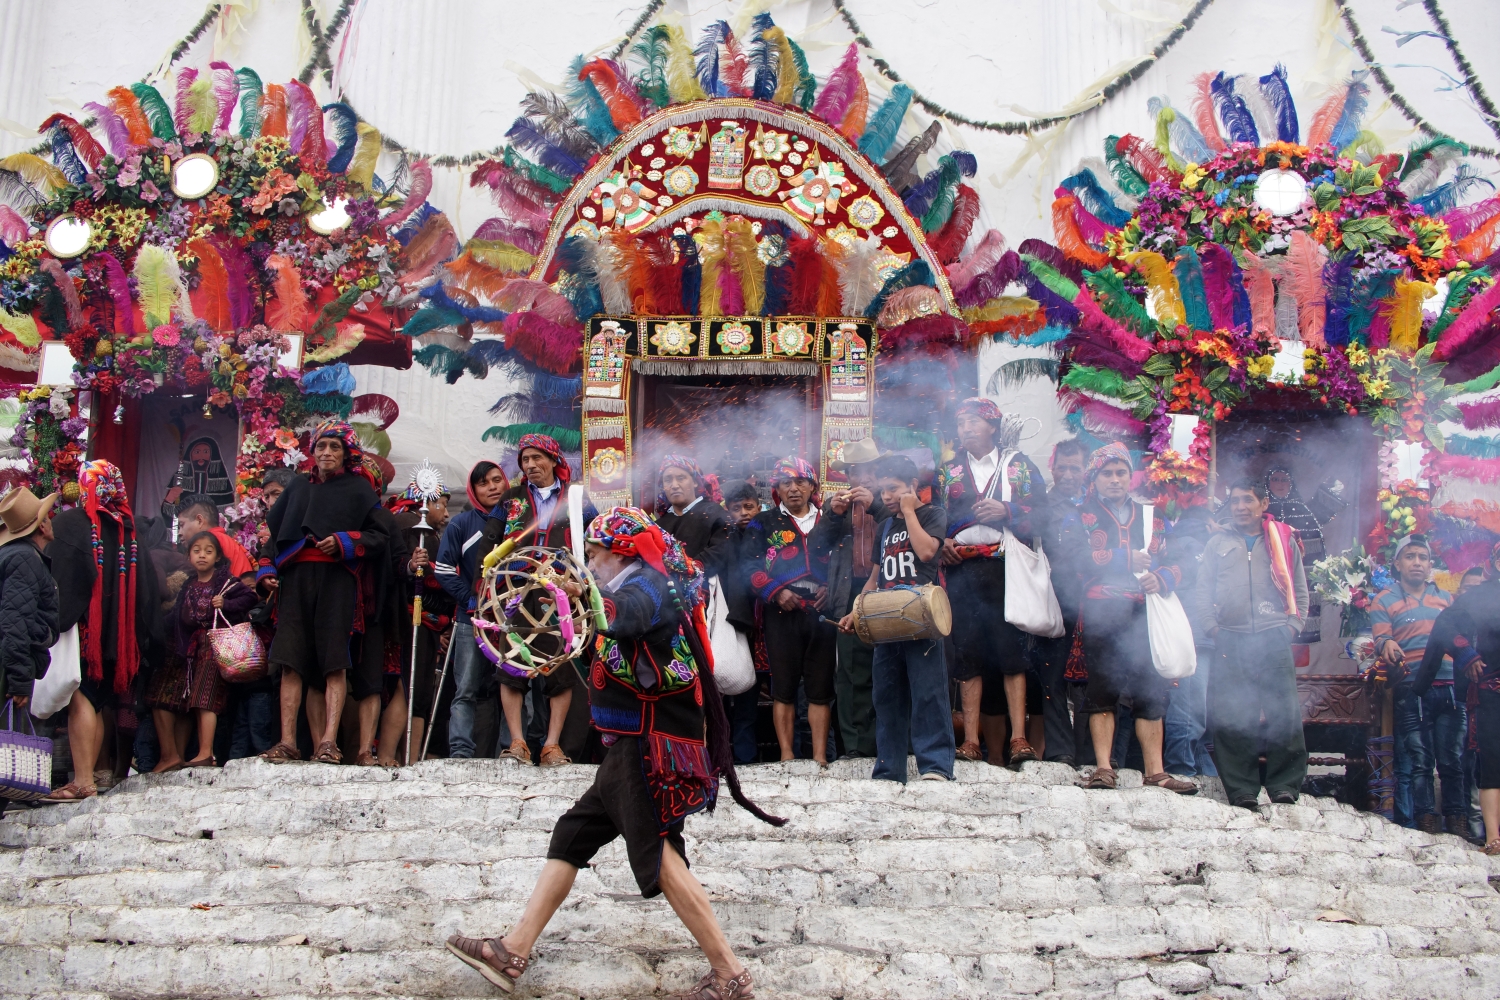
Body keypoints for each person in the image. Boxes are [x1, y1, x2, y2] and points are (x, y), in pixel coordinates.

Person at [445, 507, 780, 1000]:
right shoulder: (640, 581)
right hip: (633, 745)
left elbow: (624, 614)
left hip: (647, 746)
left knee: (659, 855)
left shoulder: (647, 586)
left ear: (622, 552)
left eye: (596, 553)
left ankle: (730, 974)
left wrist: (588, 593)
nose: (591, 561)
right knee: (573, 836)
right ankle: (512, 949)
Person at [1057, 443, 1197, 794]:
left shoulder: (1152, 516)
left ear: (1130, 476)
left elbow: (1186, 561)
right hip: (1101, 611)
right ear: (1094, 478)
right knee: (1102, 689)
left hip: (1144, 614)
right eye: (1107, 473)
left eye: (1121, 472)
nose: (1115, 479)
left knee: (1151, 690)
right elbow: (1071, 559)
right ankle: (1103, 768)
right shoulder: (1079, 515)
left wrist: (1163, 577)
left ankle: (1156, 771)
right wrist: (1122, 559)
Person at [258, 420, 387, 765]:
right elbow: (275, 537)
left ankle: (329, 742)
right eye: (321, 446)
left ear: (346, 454)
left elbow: (380, 536)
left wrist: (346, 541)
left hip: (337, 581)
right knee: (290, 660)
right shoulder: (298, 487)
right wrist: (267, 569)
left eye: (334, 447)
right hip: (297, 579)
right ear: (312, 452)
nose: (327, 453)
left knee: (334, 662)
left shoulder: (359, 490)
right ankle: (287, 741)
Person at [937, 397, 1045, 765]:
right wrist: (942, 542)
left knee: (1012, 651)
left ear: (993, 427)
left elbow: (1046, 514)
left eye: (974, 422)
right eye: (961, 422)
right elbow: (932, 516)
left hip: (1006, 568)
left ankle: (1018, 738)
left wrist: (1009, 511)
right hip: (962, 570)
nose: (966, 428)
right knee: (967, 652)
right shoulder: (946, 472)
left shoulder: (1020, 467)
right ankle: (969, 740)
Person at [46, 461, 159, 800]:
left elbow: (62, 580)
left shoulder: (69, 524)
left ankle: (83, 781)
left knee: (81, 698)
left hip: (85, 635)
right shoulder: (129, 531)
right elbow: (148, 589)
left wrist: (53, 626)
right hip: (120, 640)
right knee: (95, 703)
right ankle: (91, 776)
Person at [1195, 479, 1310, 809]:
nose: (1240, 507)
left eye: (1248, 500)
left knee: (1283, 713)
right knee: (1233, 715)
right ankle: (1241, 789)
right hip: (1230, 636)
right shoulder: (1217, 542)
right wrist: (1212, 628)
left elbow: (1300, 590)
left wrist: (1291, 627)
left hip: (1273, 634)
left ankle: (1284, 785)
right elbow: (1203, 591)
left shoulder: (1283, 540)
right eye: (1235, 501)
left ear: (1263, 504)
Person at [839, 455, 953, 783]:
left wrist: (908, 511)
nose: (886, 496)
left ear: (913, 487)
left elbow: (928, 552)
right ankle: (889, 768)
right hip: (886, 620)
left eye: (894, 489)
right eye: (884, 490)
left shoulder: (932, 514)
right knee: (886, 696)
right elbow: (874, 578)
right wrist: (856, 612)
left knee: (927, 692)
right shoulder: (885, 525)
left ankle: (935, 766)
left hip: (921, 618)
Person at [490, 434, 596, 766]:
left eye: (537, 458)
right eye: (525, 460)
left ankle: (552, 746)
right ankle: (518, 743)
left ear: (553, 460)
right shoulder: (512, 498)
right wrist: (487, 588)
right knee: (512, 665)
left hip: (560, 594)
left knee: (559, 666)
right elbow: (491, 545)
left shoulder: (577, 498)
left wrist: (584, 582)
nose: (531, 465)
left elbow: (594, 543)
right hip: (515, 591)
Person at [741, 457, 839, 765]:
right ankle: (786, 758)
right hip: (781, 611)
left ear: (813, 486)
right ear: (776, 489)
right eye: (786, 483)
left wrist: (833, 589)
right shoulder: (764, 522)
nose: (793, 489)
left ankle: (820, 757)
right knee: (783, 685)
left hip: (822, 611)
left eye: (800, 482)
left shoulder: (829, 519)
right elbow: (749, 565)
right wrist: (775, 591)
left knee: (820, 687)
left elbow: (845, 559)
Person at [1412, 543, 1500, 854]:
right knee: (1492, 765)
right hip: (1492, 692)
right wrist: (1466, 653)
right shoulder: (1482, 595)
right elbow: (1445, 625)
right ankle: (1493, 838)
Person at [145, 531, 256, 769]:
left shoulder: (225, 581)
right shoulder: (188, 584)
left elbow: (250, 598)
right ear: (189, 556)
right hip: (190, 650)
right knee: (189, 698)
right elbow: (176, 617)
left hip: (213, 646)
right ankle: (183, 755)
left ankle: (207, 753)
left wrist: (226, 604)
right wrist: (151, 628)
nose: (202, 556)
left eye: (208, 551)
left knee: (205, 698)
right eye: (197, 551)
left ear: (217, 557)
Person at [1370, 535, 1454, 832]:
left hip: (1449, 684)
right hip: (1412, 686)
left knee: (1451, 757)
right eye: (1409, 556)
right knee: (1418, 757)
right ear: (1397, 563)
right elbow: (1381, 638)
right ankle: (1423, 820)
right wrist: (1387, 643)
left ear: (1431, 564)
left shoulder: (1446, 599)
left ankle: (1456, 821)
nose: (1416, 562)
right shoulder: (1384, 599)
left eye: (1422, 557)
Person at [434, 460, 511, 760]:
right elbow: (442, 569)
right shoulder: (461, 523)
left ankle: (510, 748)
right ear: (473, 490)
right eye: (483, 483)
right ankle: (461, 751)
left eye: (496, 480)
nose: (492, 487)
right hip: (470, 619)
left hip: (513, 620)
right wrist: (469, 600)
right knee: (465, 687)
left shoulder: (516, 521)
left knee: (513, 686)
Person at [380, 480, 453, 765]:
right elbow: (433, 577)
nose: (445, 513)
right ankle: (395, 757)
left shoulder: (401, 523)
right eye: (442, 505)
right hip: (415, 618)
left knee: (415, 689)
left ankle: (406, 757)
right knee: (409, 688)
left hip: (414, 619)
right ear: (427, 504)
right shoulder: (416, 529)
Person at [822, 438, 884, 761]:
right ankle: (855, 746)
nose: (860, 479)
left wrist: (874, 503)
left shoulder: (889, 498)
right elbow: (818, 545)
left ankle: (885, 741)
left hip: (887, 593)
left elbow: (898, 527)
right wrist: (832, 516)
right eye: (854, 473)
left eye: (867, 471)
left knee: (884, 667)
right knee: (849, 670)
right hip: (848, 594)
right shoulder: (836, 505)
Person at [1032, 438, 1088, 766]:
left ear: (1086, 470)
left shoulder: (1094, 506)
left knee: (1086, 679)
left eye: (1075, 468)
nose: (1068, 474)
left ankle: (1089, 751)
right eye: (1062, 467)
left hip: (1093, 603)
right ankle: (1060, 751)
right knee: (1052, 676)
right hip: (1054, 599)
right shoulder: (1042, 506)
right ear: (1052, 468)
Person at [1263, 464, 1345, 642]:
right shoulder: (1260, 513)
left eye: (1284, 479)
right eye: (1275, 479)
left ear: (1291, 482)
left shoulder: (1305, 512)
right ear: (1267, 483)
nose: (1280, 484)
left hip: (1302, 576)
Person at [0, 487, 60, 716]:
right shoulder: (24, 559)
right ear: (42, 526)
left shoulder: (16, 555)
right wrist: (19, 680)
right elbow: (15, 622)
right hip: (6, 666)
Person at [720, 479, 763, 764]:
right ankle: (723, 753)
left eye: (749, 507)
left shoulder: (767, 534)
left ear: (759, 507)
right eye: (737, 509)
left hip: (760, 622)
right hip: (727, 620)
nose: (744, 513)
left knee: (750, 687)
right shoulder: (723, 538)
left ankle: (746, 754)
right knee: (722, 686)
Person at [175, 494, 254, 581]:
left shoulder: (213, 542)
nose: (179, 533)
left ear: (199, 521)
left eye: (181, 525)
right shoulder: (223, 539)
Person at [162, 436, 235, 517]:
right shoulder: (179, 480)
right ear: (190, 455)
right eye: (197, 452)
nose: (201, 457)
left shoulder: (222, 483)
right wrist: (169, 500)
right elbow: (168, 516)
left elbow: (229, 514)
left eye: (205, 452)